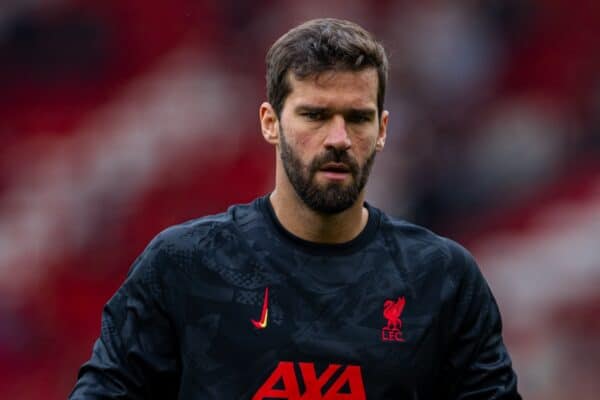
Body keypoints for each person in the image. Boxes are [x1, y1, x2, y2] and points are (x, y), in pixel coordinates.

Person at [70, 18, 521, 399]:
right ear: (271, 123)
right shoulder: (186, 265)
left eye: (359, 118)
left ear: (382, 130)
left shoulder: (440, 279)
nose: (339, 138)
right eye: (315, 115)